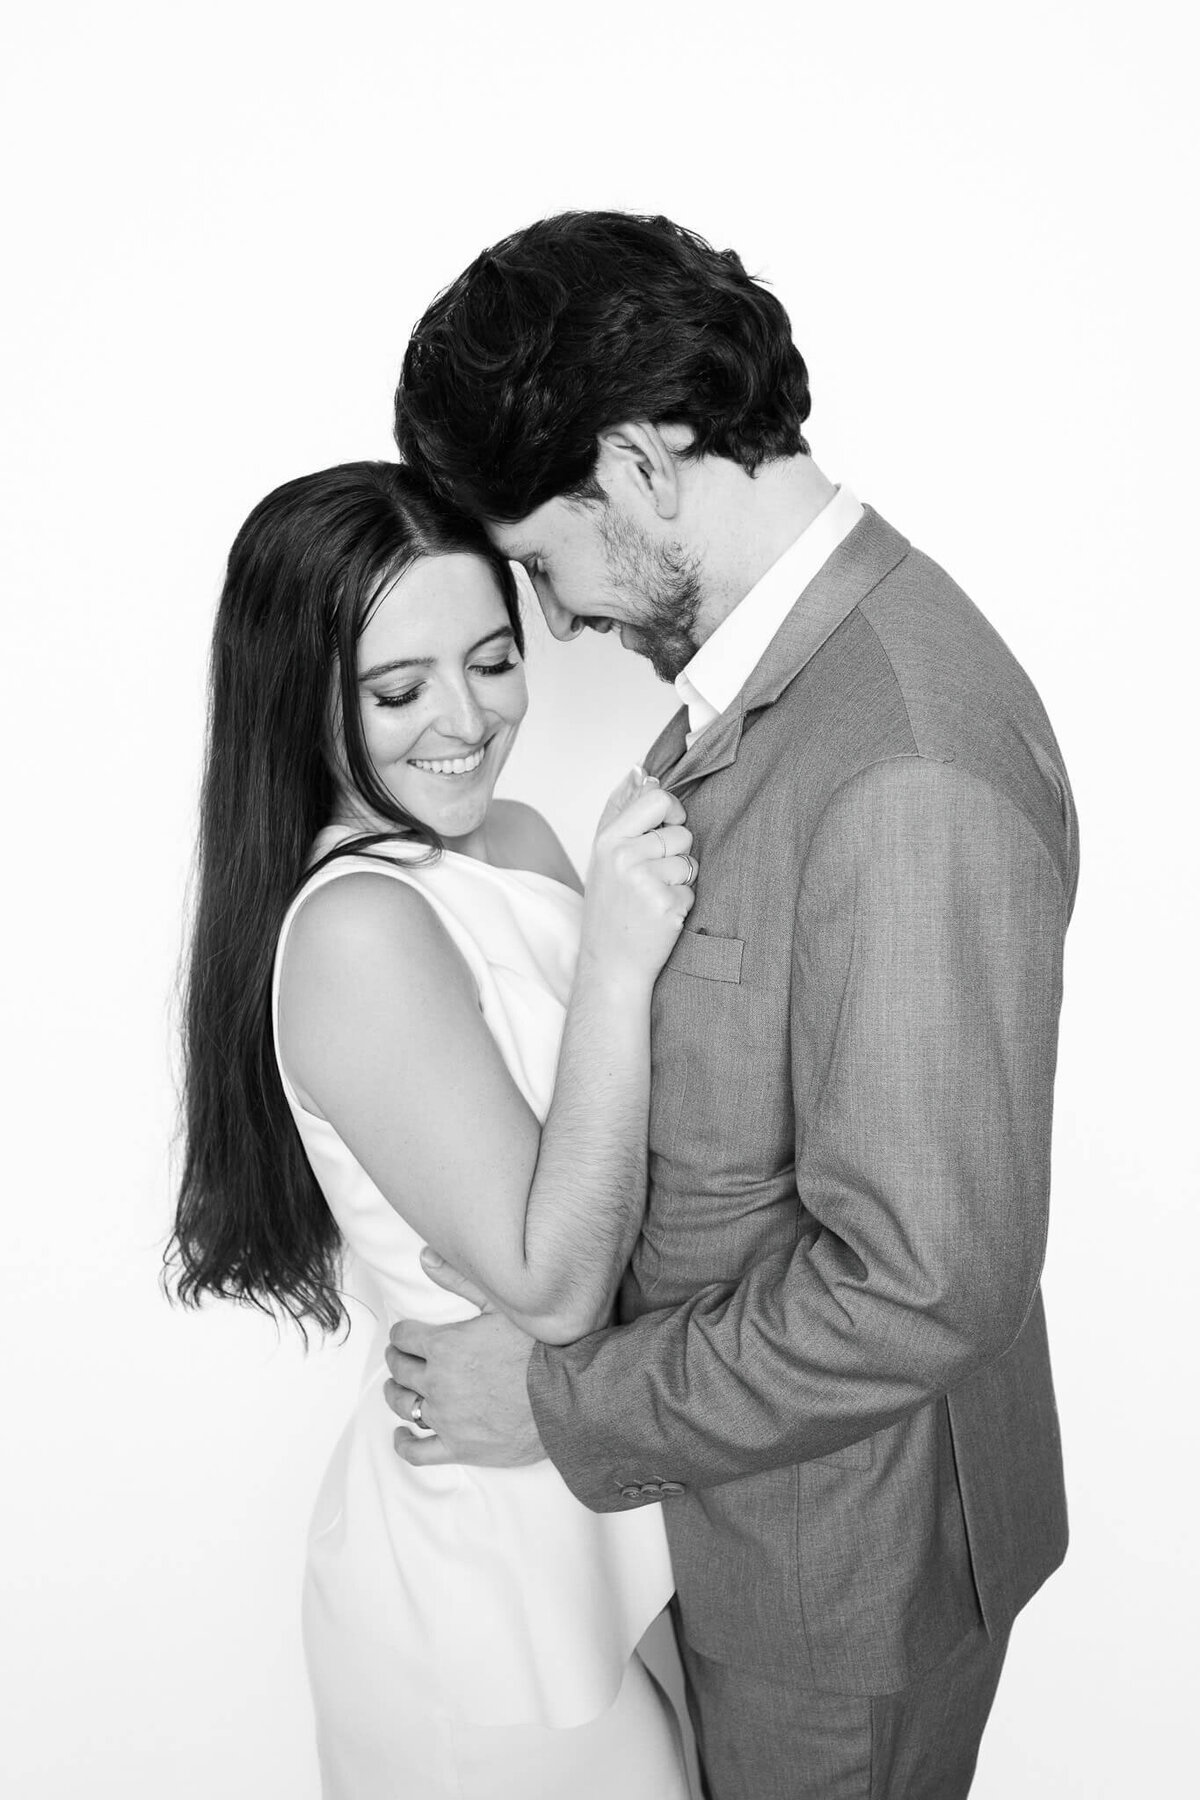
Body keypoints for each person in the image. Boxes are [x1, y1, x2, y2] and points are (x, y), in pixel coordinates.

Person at [384, 212, 1079, 1799]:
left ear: (635, 462)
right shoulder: (784, 684)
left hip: (841, 1594)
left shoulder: (904, 761)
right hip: (756, 1542)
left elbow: (918, 1286)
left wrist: (560, 1403)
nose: (555, 625)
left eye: (545, 564)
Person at [168, 461, 697, 1799]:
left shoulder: (511, 841)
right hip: (482, 1568)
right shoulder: (352, 929)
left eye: (494, 661)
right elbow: (560, 1274)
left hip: (604, 1492)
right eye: (398, 691)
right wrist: (624, 968)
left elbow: (650, 1159)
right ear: (306, 701)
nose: (465, 722)